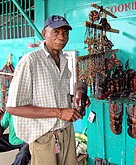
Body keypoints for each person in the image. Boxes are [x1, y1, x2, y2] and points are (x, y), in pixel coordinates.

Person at [6, 15, 84, 165]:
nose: (61, 37)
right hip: (44, 137)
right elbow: (12, 108)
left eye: (65, 33)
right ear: (44, 34)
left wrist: (74, 99)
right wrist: (60, 112)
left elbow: (56, 95)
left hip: (66, 132)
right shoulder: (30, 61)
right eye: (56, 32)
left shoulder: (63, 60)